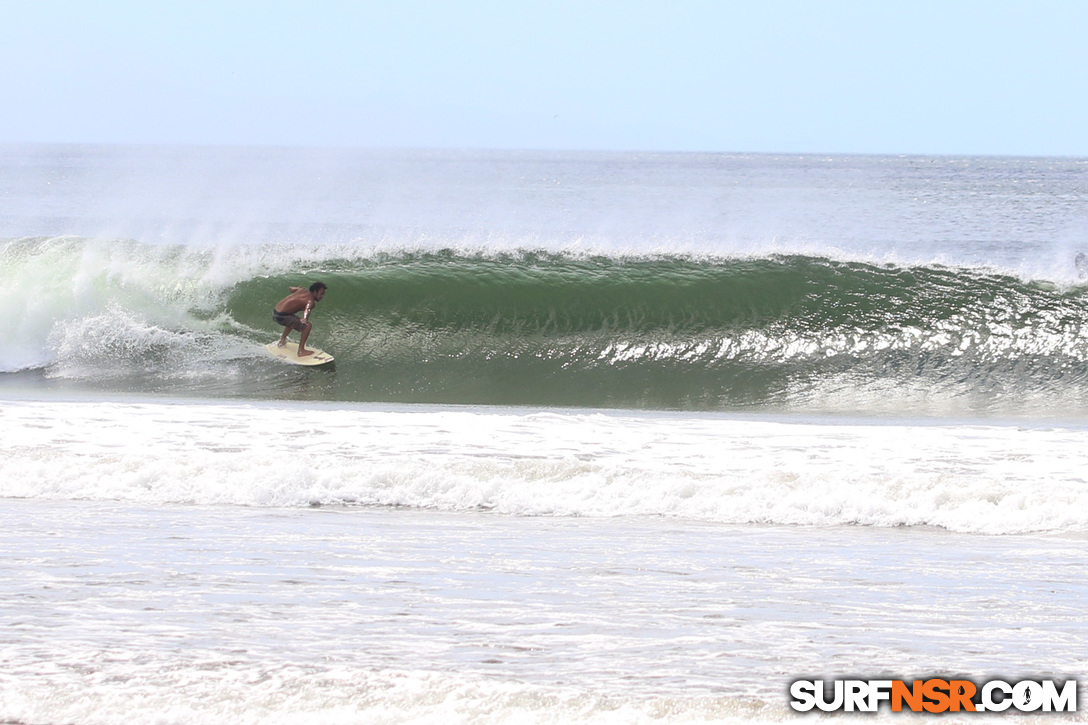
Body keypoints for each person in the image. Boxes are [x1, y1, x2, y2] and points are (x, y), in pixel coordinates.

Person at [273, 282, 327, 357]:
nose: (322, 296)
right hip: (282, 316)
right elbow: (307, 309)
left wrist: (297, 288)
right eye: (321, 293)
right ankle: (301, 351)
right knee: (307, 326)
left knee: (293, 320)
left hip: (276, 312)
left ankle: (282, 341)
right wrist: (305, 318)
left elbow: (291, 288)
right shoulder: (310, 301)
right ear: (314, 291)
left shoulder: (301, 291)